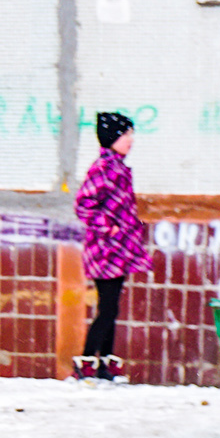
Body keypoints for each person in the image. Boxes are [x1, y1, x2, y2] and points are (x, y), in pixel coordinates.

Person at [74, 110, 145, 382]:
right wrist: (110, 228)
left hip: (118, 249)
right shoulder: (104, 168)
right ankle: (88, 359)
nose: (131, 140)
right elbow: (83, 206)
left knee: (111, 307)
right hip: (105, 250)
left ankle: (103, 362)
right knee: (108, 307)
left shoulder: (118, 168)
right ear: (113, 137)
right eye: (127, 134)